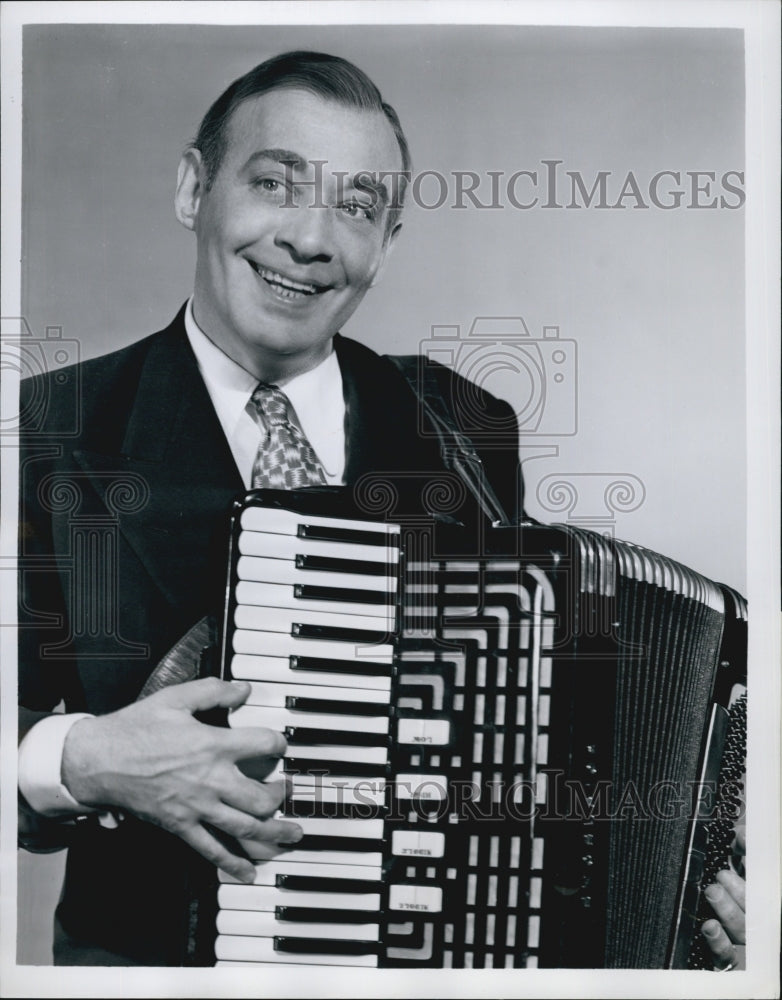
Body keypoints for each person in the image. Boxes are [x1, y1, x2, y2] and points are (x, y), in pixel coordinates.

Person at [17, 50, 743, 969]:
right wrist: (81, 758)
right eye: (277, 184)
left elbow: (517, 733)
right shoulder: (47, 431)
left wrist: (696, 856)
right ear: (194, 188)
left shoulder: (467, 426)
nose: (313, 239)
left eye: (357, 207)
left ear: (388, 243)